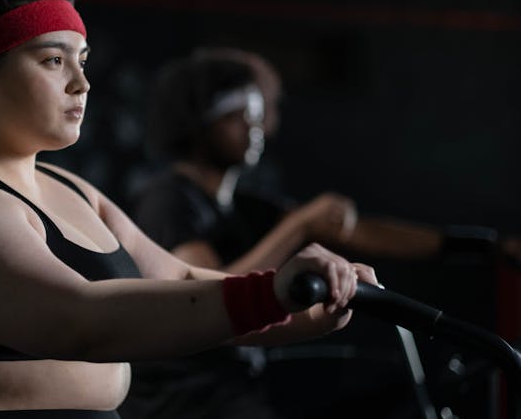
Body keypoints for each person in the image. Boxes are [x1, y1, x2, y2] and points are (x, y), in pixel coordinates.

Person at [0, 0, 378, 419]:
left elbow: (179, 282)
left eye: (82, 59)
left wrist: (308, 307)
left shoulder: (73, 192)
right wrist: (270, 297)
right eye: (54, 60)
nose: (81, 82)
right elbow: (80, 320)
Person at [119, 49, 521, 419]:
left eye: (257, 116)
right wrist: (299, 227)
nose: (255, 128)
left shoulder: (246, 205)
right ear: (200, 123)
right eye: (237, 116)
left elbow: (359, 232)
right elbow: (206, 296)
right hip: (186, 398)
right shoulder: (170, 201)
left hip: (241, 382)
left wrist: (486, 246)